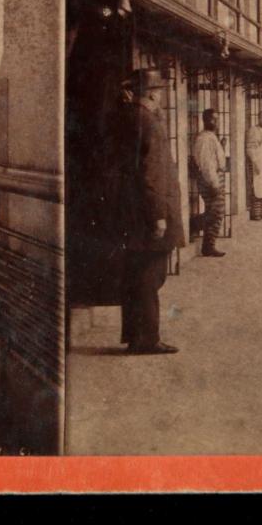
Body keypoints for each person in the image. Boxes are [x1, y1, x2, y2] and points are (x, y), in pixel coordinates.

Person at [116, 68, 184, 355]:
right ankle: (147, 339)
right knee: (151, 277)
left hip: (131, 213)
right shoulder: (150, 124)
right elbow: (152, 174)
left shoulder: (128, 119)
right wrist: (158, 216)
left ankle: (134, 335)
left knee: (135, 276)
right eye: (159, 93)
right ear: (154, 94)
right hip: (150, 215)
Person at [190, 108, 226, 257]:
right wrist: (214, 183)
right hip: (210, 179)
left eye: (217, 119)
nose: (216, 122)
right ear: (205, 121)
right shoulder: (204, 138)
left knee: (216, 212)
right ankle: (193, 224)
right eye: (213, 119)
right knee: (216, 212)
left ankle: (208, 245)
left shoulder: (211, 136)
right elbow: (206, 164)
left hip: (215, 177)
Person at [244, 110, 262, 220]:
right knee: (256, 188)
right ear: (258, 118)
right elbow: (250, 148)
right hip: (257, 162)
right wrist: (255, 162)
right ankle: (255, 213)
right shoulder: (254, 130)